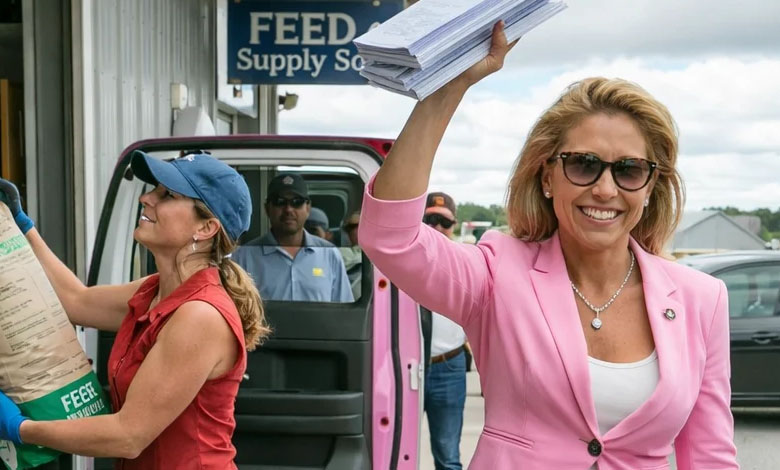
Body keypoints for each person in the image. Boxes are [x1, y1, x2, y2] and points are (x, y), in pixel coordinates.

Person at [358, 22, 738, 469]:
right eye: (584, 165)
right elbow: (392, 237)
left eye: (629, 170)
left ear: (651, 186)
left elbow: (711, 454)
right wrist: (448, 88)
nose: (605, 189)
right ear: (547, 177)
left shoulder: (702, 299)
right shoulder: (497, 274)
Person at [0, 151, 271, 469]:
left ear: (206, 227)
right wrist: (22, 224)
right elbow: (75, 301)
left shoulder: (200, 315)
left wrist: (19, 429)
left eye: (167, 195)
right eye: (154, 189)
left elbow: (128, 436)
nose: (146, 198)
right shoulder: (154, 290)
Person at [234, 173, 353, 303]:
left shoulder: (330, 254)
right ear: (267, 208)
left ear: (308, 208)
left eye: (297, 202)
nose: (288, 209)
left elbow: (345, 308)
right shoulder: (244, 257)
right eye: (280, 202)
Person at [421, 192, 468, 470]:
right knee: (393, 448)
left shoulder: (465, 262)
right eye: (430, 220)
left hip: (448, 365)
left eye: (444, 222)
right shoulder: (402, 259)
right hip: (406, 366)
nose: (437, 228)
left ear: (454, 225)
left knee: (448, 456)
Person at [339, 211, 363, 300]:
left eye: (354, 226)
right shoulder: (342, 252)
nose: (351, 231)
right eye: (349, 228)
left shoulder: (380, 254)